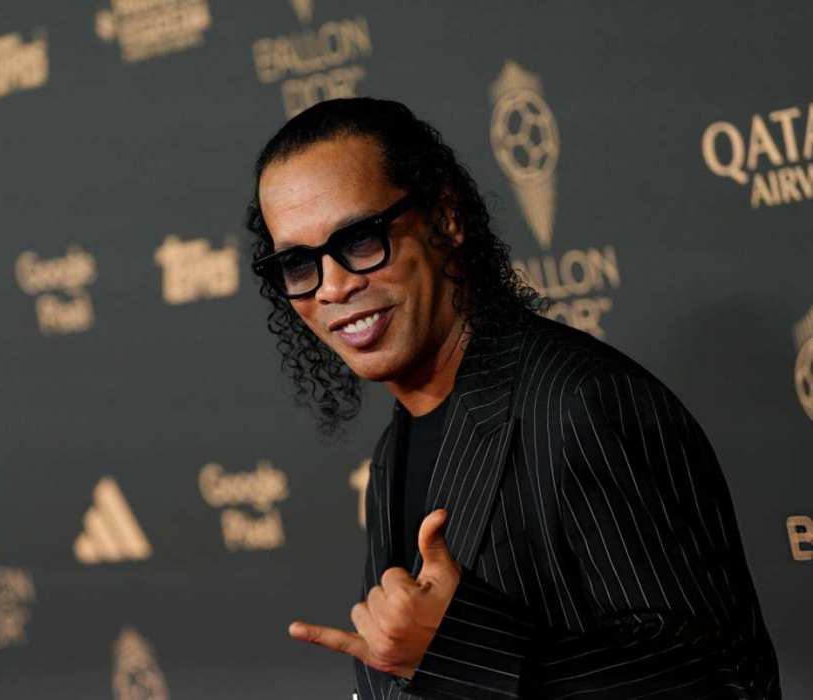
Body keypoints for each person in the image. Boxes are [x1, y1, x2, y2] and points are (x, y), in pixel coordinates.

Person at [245, 97, 780, 698]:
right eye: (298, 264)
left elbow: (723, 682)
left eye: (361, 238)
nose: (334, 286)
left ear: (445, 218)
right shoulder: (395, 449)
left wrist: (468, 653)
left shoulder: (582, 403)